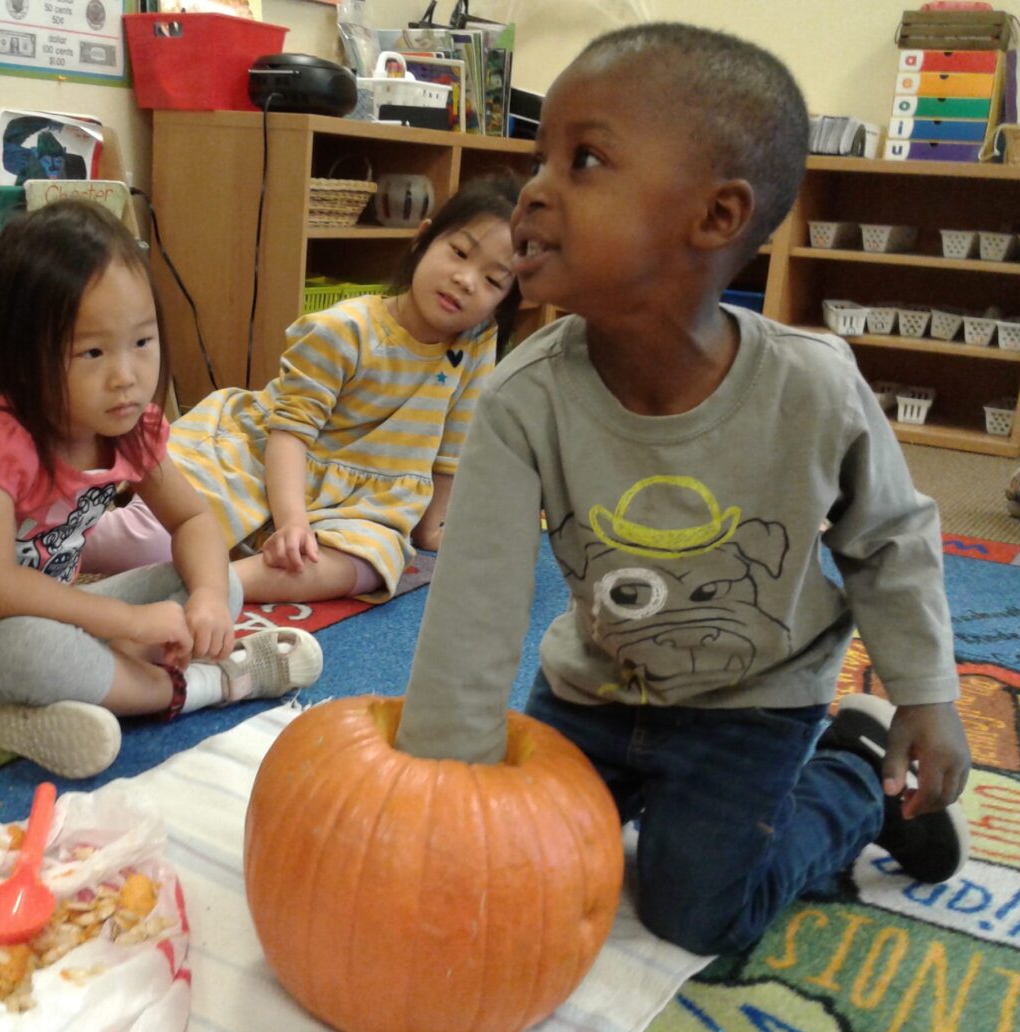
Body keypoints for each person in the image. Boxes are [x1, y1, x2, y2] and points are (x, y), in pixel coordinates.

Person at [394, 24, 973, 957]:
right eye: (540, 157)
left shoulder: (815, 387)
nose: (534, 188)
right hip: (589, 693)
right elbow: (474, 609)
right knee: (518, 881)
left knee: (697, 918)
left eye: (583, 160)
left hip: (756, 702)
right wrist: (441, 794)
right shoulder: (518, 399)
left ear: (716, 217)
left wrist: (925, 694)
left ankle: (853, 780)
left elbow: (890, 540)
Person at [0, 200, 324, 779]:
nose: (127, 376)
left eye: (142, 342)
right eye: (92, 352)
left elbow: (194, 523)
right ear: (24, 353)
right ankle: (211, 684)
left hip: (58, 622)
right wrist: (128, 626)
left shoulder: (131, 428)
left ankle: (43, 708)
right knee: (35, 652)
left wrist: (210, 600)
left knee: (212, 584)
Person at [84, 176, 522, 606]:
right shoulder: (343, 330)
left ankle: (209, 586)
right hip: (260, 461)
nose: (466, 280)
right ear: (423, 240)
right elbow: (290, 433)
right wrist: (292, 520)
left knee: (371, 564)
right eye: (460, 252)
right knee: (155, 541)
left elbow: (452, 447)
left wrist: (430, 528)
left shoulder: (476, 343)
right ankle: (55, 547)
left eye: (493, 281)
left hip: (359, 501)